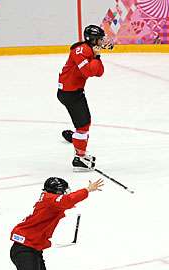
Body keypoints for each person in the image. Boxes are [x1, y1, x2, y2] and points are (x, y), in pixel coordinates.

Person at [57, 24, 112, 172]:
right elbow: (88, 72)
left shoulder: (89, 49)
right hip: (70, 94)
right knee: (83, 125)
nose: (102, 42)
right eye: (100, 39)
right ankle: (79, 158)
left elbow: (99, 72)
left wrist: (97, 55)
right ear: (92, 39)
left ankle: (76, 138)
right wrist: (96, 56)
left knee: (82, 122)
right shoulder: (79, 50)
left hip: (72, 91)